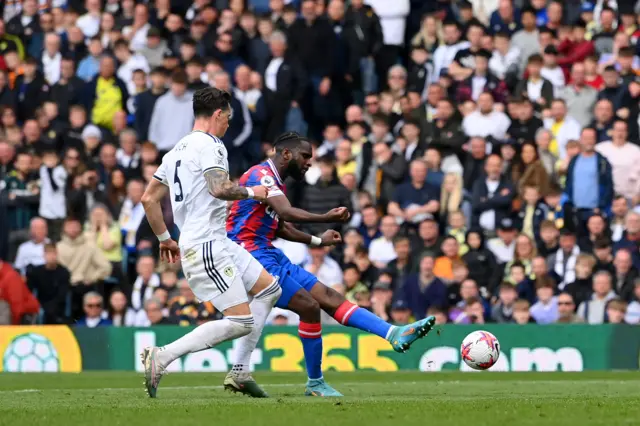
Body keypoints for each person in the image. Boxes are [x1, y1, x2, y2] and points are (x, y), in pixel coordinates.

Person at [226, 131, 435, 397]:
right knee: (309, 306)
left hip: (268, 252)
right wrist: (325, 217)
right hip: (249, 255)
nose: (309, 162)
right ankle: (309, 381)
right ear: (286, 154)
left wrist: (317, 241)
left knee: (327, 296)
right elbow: (287, 212)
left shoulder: (275, 182)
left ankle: (393, 333)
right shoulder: (261, 176)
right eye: (305, 156)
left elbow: (280, 226)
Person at [139, 87, 282, 399]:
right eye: (228, 118)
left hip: (214, 239)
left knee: (270, 289)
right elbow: (218, 188)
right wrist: (251, 192)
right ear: (217, 114)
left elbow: (149, 198)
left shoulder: (175, 151)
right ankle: (161, 357)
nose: (228, 124)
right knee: (241, 321)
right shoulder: (211, 145)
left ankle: (240, 372)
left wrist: (166, 238)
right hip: (205, 245)